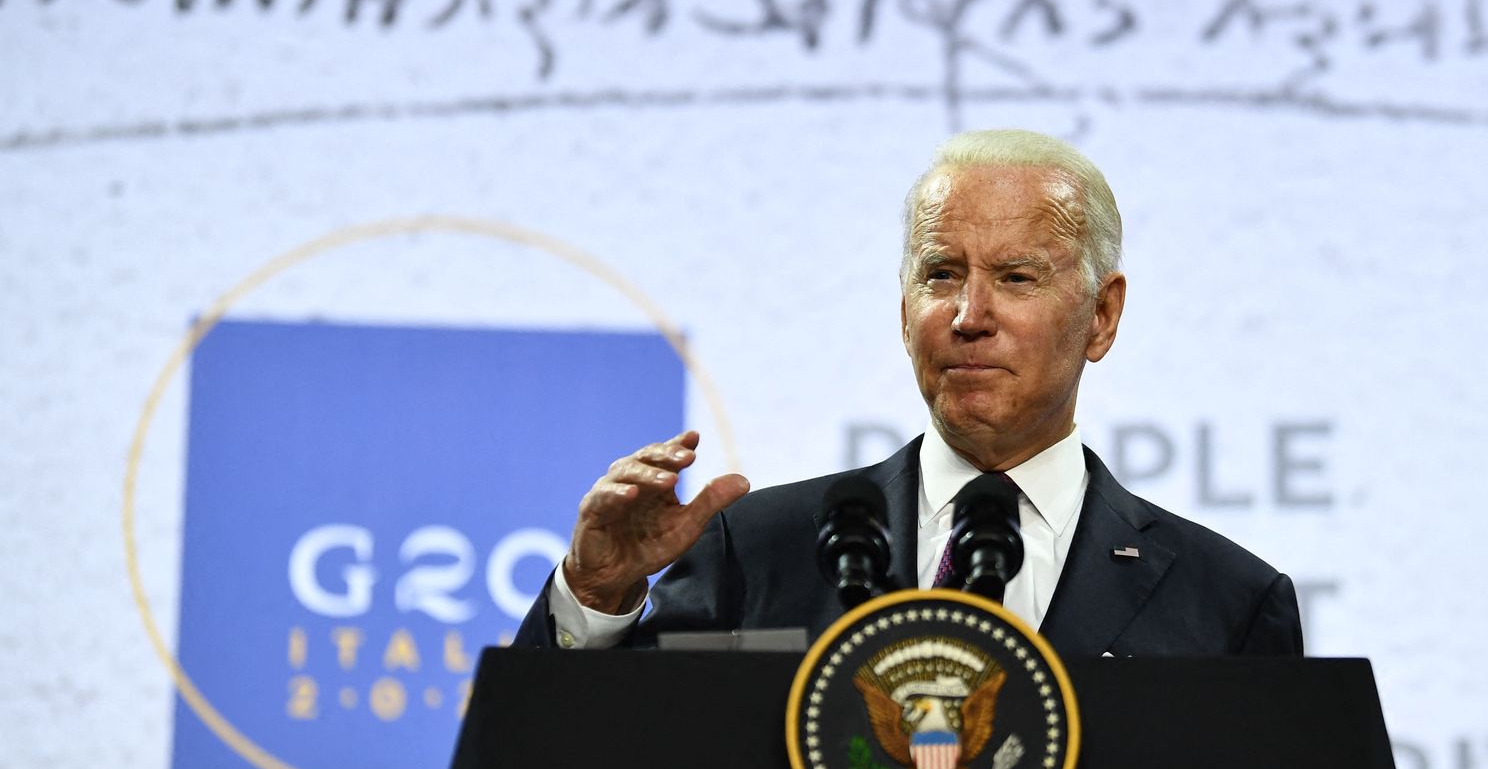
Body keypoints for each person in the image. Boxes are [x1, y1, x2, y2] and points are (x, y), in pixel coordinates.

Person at [515, 129, 1302, 658]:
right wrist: (597, 594)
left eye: (1016, 277)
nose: (969, 317)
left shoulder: (1227, 604)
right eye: (941, 275)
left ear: (1102, 316)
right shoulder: (753, 551)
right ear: (903, 313)